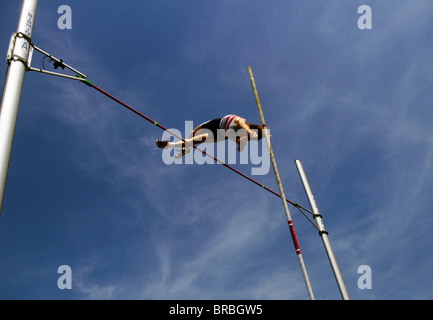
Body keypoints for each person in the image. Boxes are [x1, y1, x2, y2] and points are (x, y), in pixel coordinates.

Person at [156, 114, 264, 158]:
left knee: (197, 138)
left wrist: (242, 143)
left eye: (252, 140)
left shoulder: (242, 137)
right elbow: (240, 123)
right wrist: (248, 132)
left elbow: (239, 149)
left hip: (220, 134)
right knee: (192, 134)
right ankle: (186, 150)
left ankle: (169, 145)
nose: (250, 139)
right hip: (216, 123)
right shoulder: (243, 122)